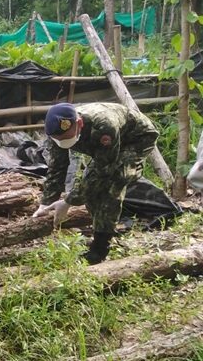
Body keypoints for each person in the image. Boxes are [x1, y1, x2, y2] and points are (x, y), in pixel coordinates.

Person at [32, 102, 158, 264]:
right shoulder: (54, 133)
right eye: (59, 139)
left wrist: (68, 201)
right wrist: (46, 202)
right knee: (91, 188)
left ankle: (100, 248)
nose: (63, 142)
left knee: (113, 181)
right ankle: (101, 226)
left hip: (137, 138)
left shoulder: (103, 126)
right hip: (104, 146)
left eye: (67, 138)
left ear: (79, 123)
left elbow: (103, 170)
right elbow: (57, 167)